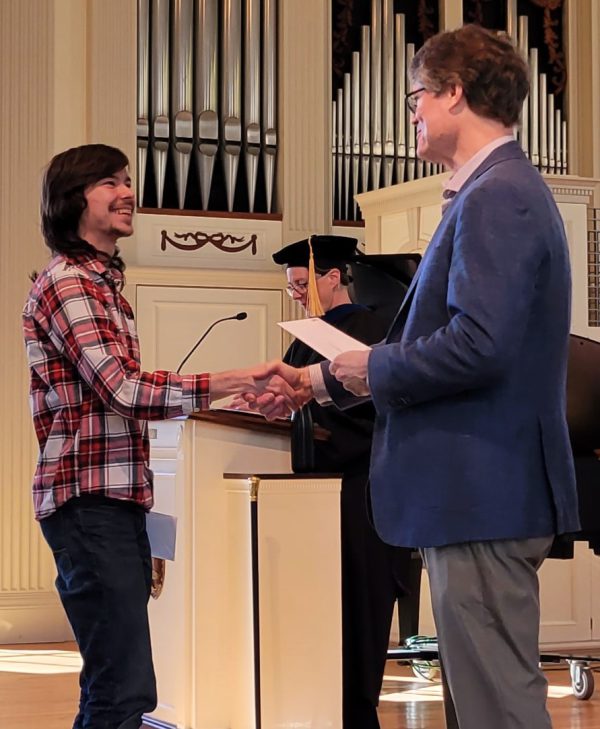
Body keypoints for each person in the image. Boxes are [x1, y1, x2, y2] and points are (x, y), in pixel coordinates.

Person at [249, 25, 581, 729]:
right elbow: (435, 344)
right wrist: (315, 384)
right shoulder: (490, 191)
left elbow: (478, 345)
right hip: (472, 492)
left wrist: (367, 365)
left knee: (500, 710)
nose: (411, 113)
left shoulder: (499, 194)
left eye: (417, 97)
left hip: (481, 491)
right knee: (483, 706)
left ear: (455, 93)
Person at [22, 143, 290, 729]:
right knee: (123, 690)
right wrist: (233, 375)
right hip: (88, 501)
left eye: (126, 179)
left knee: (115, 684)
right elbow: (123, 390)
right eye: (109, 183)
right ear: (73, 199)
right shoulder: (70, 284)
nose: (127, 192)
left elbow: (122, 400)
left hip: (112, 502)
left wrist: (230, 397)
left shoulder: (102, 286)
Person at [273, 235, 411, 729]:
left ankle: (357, 713)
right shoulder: (307, 335)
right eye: (289, 285)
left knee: (359, 604)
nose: (295, 292)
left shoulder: (370, 327)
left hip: (363, 488)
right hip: (316, 492)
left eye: (302, 281)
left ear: (333, 276)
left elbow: (378, 407)